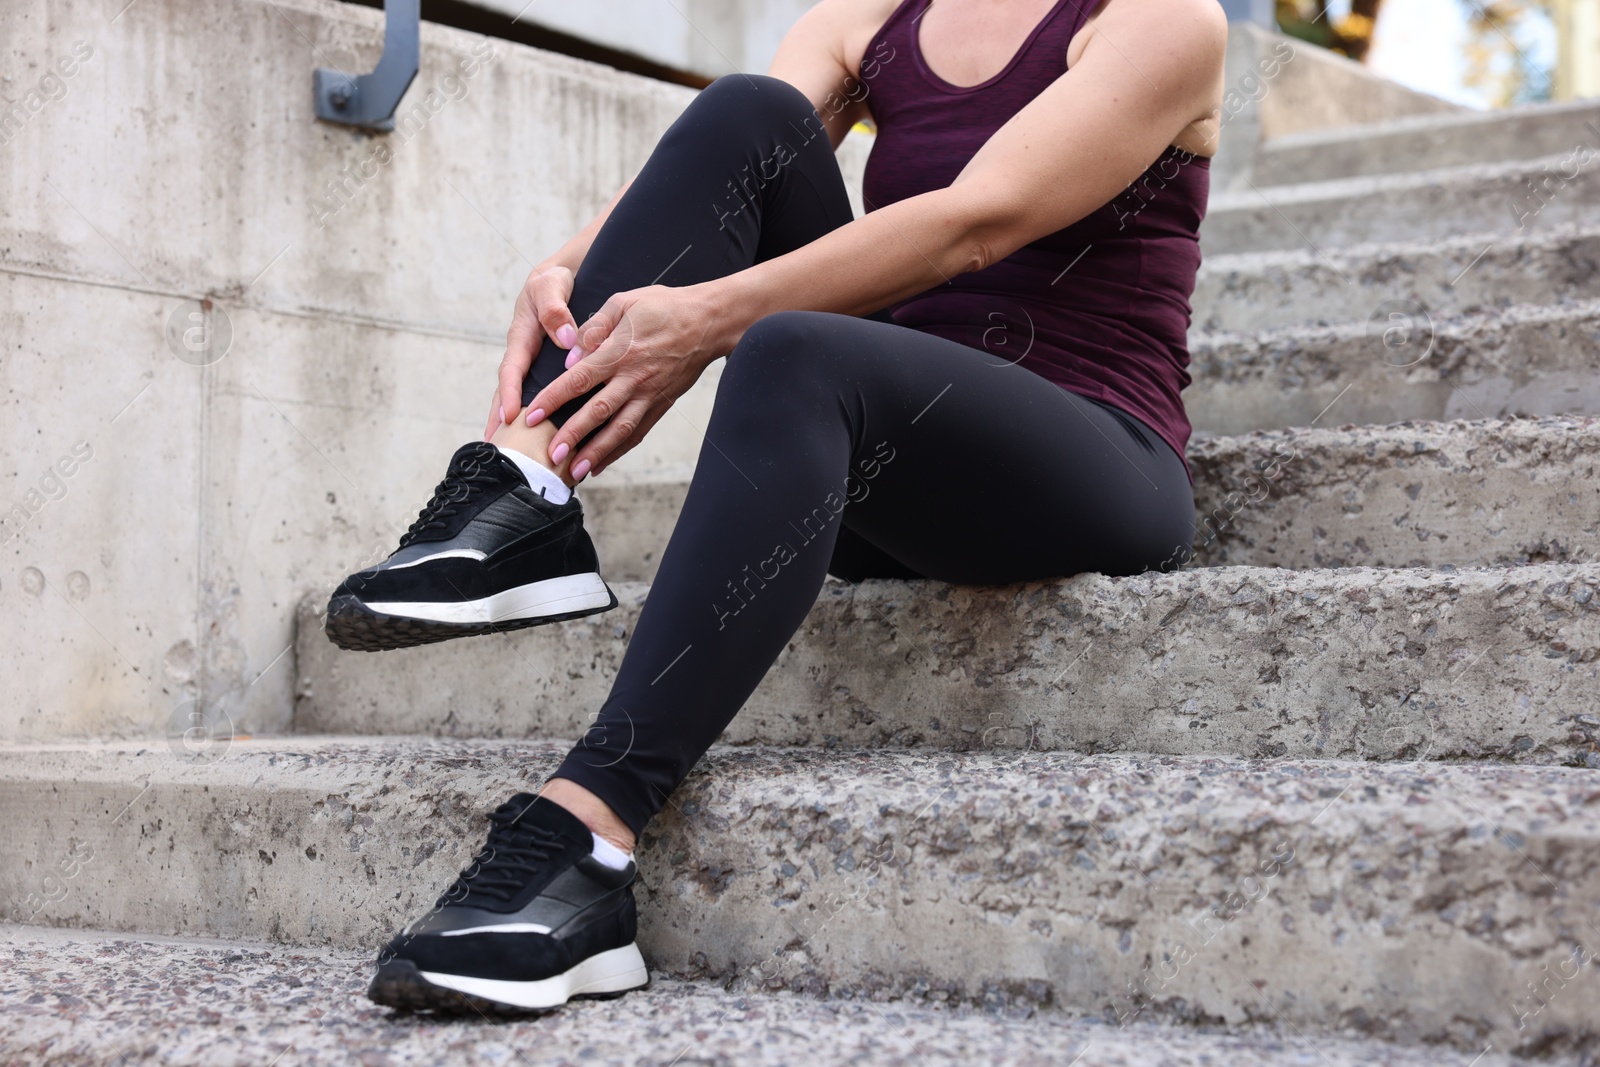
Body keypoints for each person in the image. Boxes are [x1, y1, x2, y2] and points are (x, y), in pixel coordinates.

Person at [333, 0, 1225, 1014]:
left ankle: (584, 834)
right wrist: (571, 266)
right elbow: (718, 164)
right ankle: (524, 485)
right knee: (747, 114)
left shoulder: (1163, 20)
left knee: (791, 344)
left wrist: (711, 315)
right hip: (883, 462)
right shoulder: (873, 14)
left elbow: (978, 221)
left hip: (1088, 459)